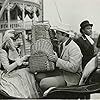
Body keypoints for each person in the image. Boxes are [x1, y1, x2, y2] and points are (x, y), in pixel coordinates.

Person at [39, 23, 83, 91]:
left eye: (58, 34)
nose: (55, 36)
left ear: (64, 34)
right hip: (62, 72)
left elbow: (74, 68)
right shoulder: (62, 44)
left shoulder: (74, 48)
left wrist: (57, 60)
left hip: (71, 78)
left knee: (43, 83)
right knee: (38, 76)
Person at [0, 30, 39, 98]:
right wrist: (21, 59)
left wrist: (28, 62)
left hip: (15, 72)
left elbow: (19, 64)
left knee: (28, 71)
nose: (20, 41)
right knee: (25, 73)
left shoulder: (17, 50)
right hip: (5, 74)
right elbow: (7, 69)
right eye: (18, 39)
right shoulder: (3, 51)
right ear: (11, 40)